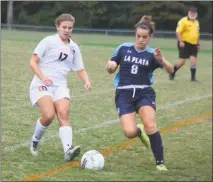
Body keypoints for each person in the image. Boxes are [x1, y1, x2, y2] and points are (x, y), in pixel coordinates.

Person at [106, 15, 174, 171]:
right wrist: (109, 66)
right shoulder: (123, 48)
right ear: (135, 35)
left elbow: (171, 71)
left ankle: (160, 162)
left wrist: (161, 60)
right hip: (123, 94)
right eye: (138, 36)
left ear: (150, 37)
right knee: (130, 132)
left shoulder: (152, 54)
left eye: (145, 37)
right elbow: (111, 67)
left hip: (144, 93)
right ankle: (139, 131)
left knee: (150, 124)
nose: (141, 40)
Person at [29, 13, 92, 161]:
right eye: (64, 27)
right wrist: (43, 78)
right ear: (57, 27)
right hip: (41, 84)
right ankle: (35, 140)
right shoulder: (48, 41)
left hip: (60, 86)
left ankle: (67, 150)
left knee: (63, 114)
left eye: (70, 28)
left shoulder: (74, 47)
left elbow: (80, 68)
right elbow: (33, 61)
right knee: (49, 115)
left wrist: (86, 81)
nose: (67, 30)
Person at [169, 7, 200, 81]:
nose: (192, 14)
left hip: (194, 44)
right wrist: (181, 41)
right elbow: (178, 32)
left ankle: (193, 78)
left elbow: (197, 33)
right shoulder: (183, 21)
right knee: (182, 61)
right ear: (189, 13)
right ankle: (172, 73)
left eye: (194, 13)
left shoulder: (196, 22)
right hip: (184, 43)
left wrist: (198, 44)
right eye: (191, 13)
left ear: (196, 14)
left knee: (193, 60)